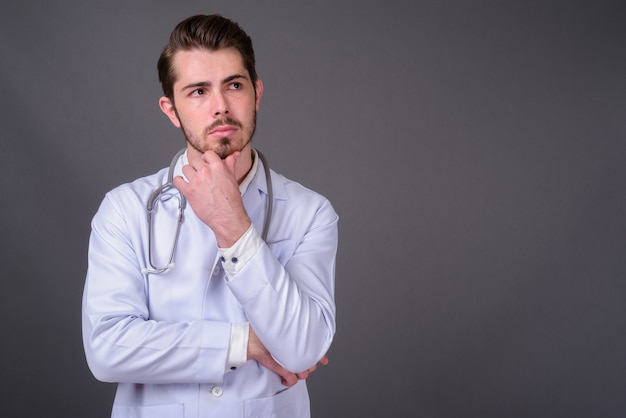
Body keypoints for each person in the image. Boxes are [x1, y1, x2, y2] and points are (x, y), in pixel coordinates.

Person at [82, 14, 338, 418]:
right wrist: (248, 343)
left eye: (234, 85)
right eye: (198, 91)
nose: (221, 106)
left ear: (256, 92)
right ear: (171, 109)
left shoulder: (310, 212)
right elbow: (108, 350)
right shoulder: (124, 209)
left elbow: (305, 347)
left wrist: (233, 225)